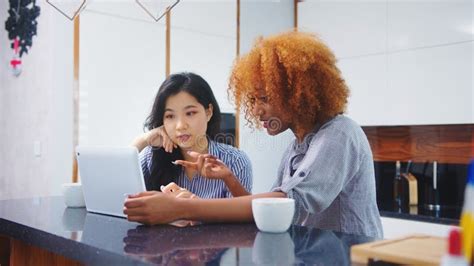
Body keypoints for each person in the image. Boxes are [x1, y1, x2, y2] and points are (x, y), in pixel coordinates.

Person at [124, 32, 383, 238]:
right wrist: (228, 180)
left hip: (350, 256)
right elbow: (266, 213)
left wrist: (183, 207)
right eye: (253, 100)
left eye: (265, 99)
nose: (256, 110)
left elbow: (287, 203)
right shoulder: (296, 147)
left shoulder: (340, 132)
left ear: (298, 94)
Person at [131, 72, 252, 198]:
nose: (180, 126)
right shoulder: (151, 157)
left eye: (190, 113)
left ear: (209, 112)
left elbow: (240, 217)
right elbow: (116, 190)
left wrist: (195, 208)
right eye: (170, 116)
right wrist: (143, 140)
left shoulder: (235, 161)